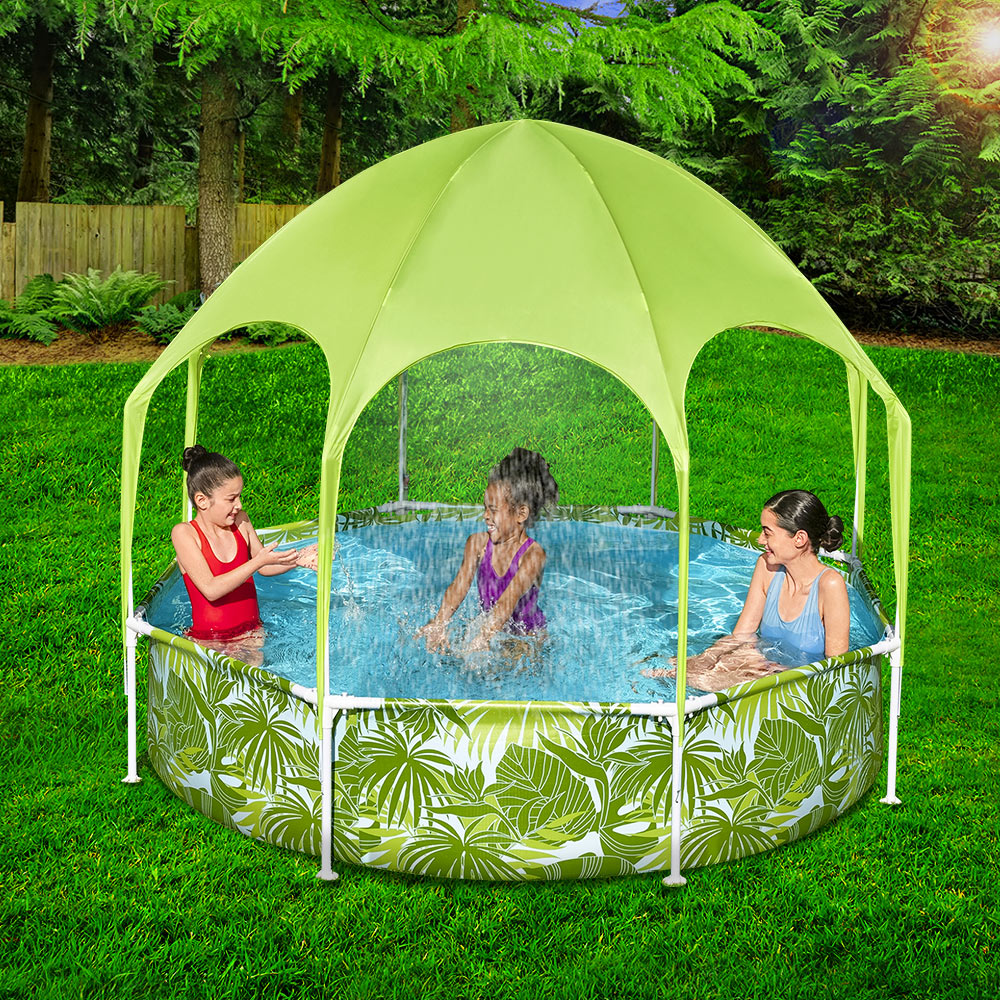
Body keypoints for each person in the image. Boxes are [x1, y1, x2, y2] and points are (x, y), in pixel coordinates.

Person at [642, 489, 850, 690]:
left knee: (701, 680)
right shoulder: (767, 567)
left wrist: (774, 673)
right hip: (762, 665)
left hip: (800, 685)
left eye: (768, 533)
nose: (760, 540)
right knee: (668, 666)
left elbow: (835, 669)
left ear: (799, 539)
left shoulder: (829, 586)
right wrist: (704, 659)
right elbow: (742, 634)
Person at [415, 448, 558, 654]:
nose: (485, 516)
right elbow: (458, 586)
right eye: (485, 508)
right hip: (492, 628)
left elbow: (508, 600)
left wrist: (482, 636)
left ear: (521, 514)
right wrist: (440, 623)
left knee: (515, 654)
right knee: (447, 648)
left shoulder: (533, 555)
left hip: (527, 636)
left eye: (493, 510)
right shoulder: (477, 544)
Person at [171, 446, 311, 651]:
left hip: (251, 634)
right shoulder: (185, 534)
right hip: (210, 641)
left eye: (239, 496)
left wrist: (298, 559)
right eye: (231, 498)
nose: (239, 504)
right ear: (202, 501)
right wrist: (257, 562)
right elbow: (211, 589)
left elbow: (265, 566)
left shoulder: (241, 521)